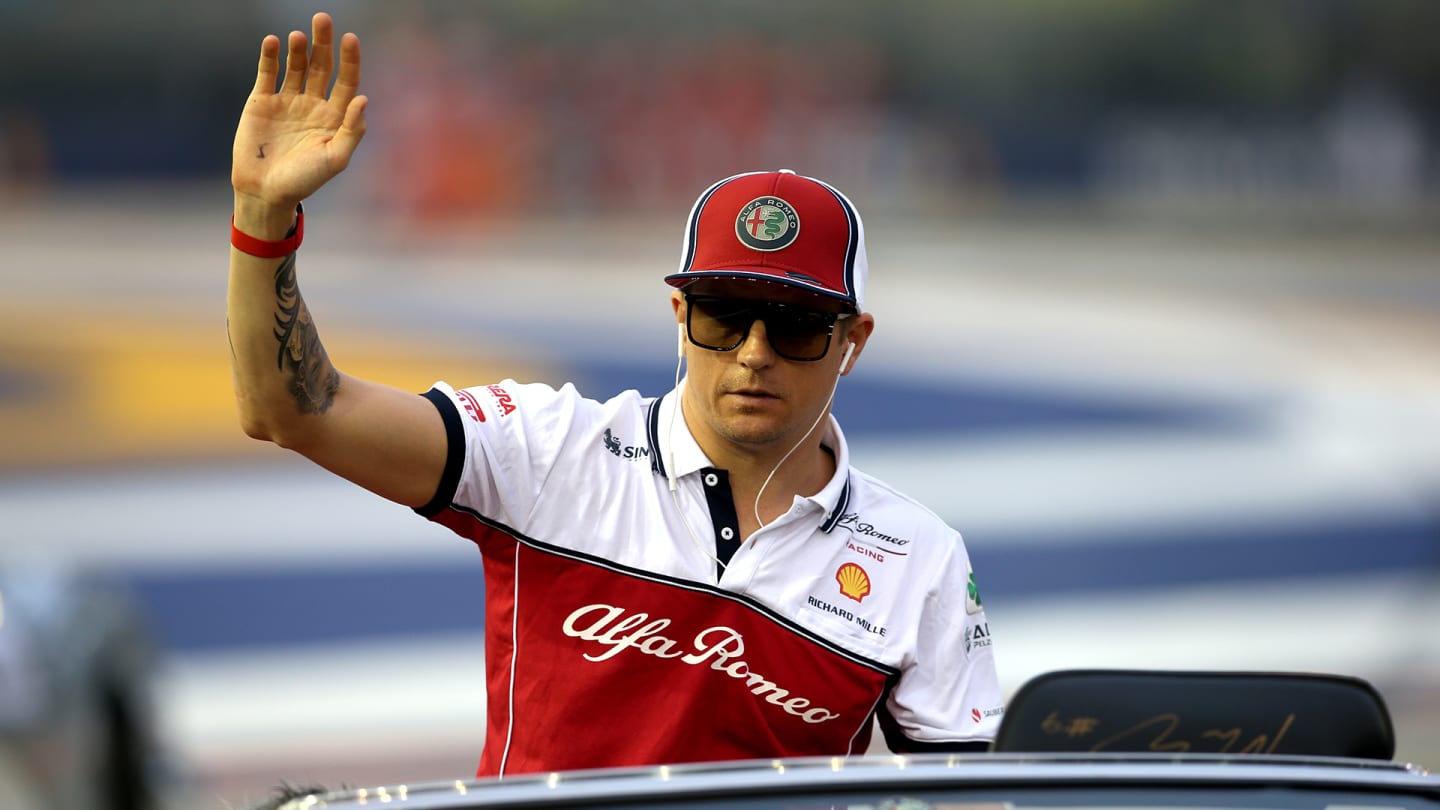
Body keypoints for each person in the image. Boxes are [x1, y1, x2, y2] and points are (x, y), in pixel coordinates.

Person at [228, 12, 1003, 779]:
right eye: (722, 316)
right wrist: (263, 220)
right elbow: (294, 409)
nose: (754, 352)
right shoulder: (550, 450)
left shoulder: (919, 560)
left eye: (796, 326)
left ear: (853, 342)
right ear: (679, 316)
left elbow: (966, 798)